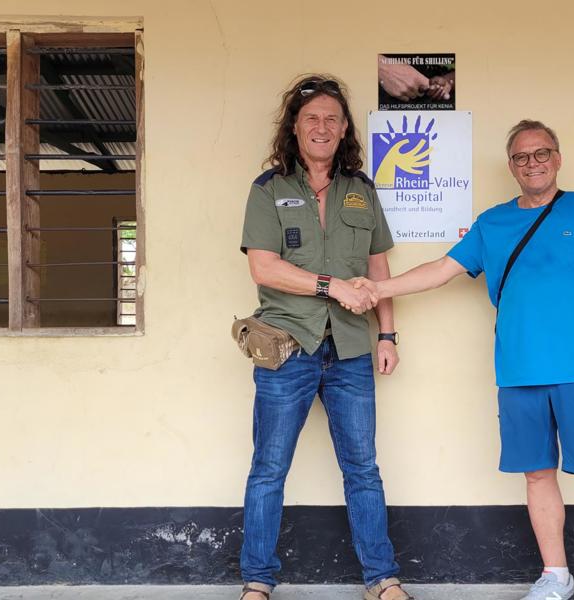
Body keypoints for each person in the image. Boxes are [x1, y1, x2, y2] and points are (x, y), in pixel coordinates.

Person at [353, 120, 574, 600]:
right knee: (537, 475)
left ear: (558, 157)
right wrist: (379, 288)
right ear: (511, 165)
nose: (533, 162)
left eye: (542, 152)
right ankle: (556, 577)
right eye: (522, 156)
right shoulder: (492, 223)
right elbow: (441, 270)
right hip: (518, 373)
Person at [237, 74, 412, 600]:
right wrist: (330, 286)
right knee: (269, 468)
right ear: (295, 127)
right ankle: (257, 581)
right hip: (287, 348)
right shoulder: (268, 189)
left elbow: (378, 271)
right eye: (311, 117)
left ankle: (382, 579)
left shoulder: (362, 191)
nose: (321, 126)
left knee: (363, 468)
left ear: (343, 131)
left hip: (354, 350)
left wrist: (389, 334)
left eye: (331, 119)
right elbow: (264, 268)